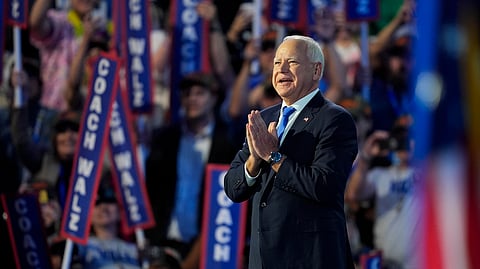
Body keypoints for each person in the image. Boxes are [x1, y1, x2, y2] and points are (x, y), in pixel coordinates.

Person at [224, 35, 358, 268]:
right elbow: (233, 188)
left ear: (316, 71)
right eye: (277, 63)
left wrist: (273, 157)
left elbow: (324, 186)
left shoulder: (335, 119)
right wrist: (254, 161)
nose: (281, 69)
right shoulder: (263, 118)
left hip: (310, 259)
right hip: (264, 259)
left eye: (292, 62)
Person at [144, 72, 241, 269]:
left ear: (214, 99)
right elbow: (152, 188)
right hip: (163, 239)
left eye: (199, 93)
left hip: (208, 244)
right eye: (187, 94)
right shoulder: (165, 139)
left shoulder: (229, 144)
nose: (192, 99)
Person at [345, 122, 421, 269]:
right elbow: (353, 194)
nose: (403, 143)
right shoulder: (381, 175)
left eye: (408, 137)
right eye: (399, 138)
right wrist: (366, 157)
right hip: (384, 263)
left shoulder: (429, 175)